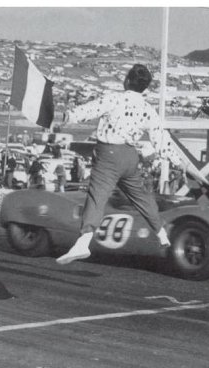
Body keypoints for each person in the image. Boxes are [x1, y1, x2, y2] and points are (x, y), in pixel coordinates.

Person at [56, 64, 182, 265]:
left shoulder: (114, 98)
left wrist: (68, 117)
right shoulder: (147, 109)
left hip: (109, 155)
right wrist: (179, 162)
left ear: (128, 81)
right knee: (140, 196)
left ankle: (83, 241)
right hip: (130, 157)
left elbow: (90, 109)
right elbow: (161, 140)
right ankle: (161, 233)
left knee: (97, 196)